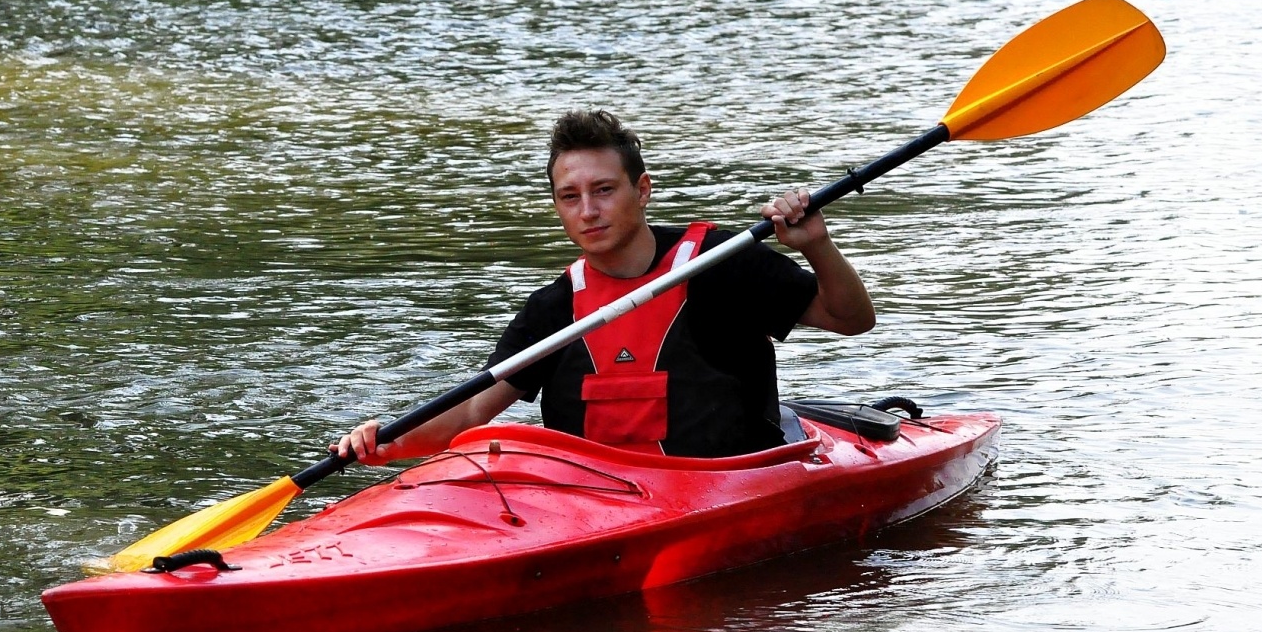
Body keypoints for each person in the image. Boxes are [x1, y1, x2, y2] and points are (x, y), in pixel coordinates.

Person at [333, 110, 875, 462]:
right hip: (601, 503)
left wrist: (816, 245)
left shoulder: (722, 261)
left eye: (604, 190)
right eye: (570, 197)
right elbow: (474, 412)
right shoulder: (554, 308)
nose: (588, 211)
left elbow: (851, 319)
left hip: (735, 483)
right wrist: (387, 441)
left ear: (642, 190)